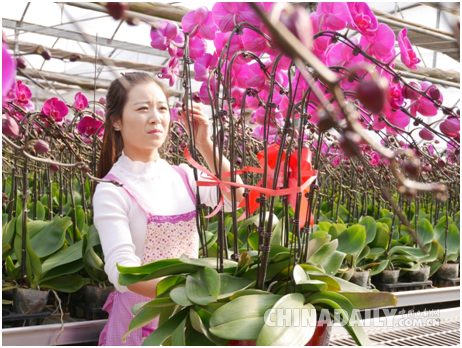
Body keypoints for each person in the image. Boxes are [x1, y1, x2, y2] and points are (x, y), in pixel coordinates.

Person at [91, 72, 244, 346]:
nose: (155, 117)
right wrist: (187, 290)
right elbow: (122, 271)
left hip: (186, 322)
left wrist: (204, 144)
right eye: (142, 108)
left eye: (162, 108)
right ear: (116, 121)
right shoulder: (112, 190)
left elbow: (235, 197)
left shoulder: (183, 175)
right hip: (137, 327)